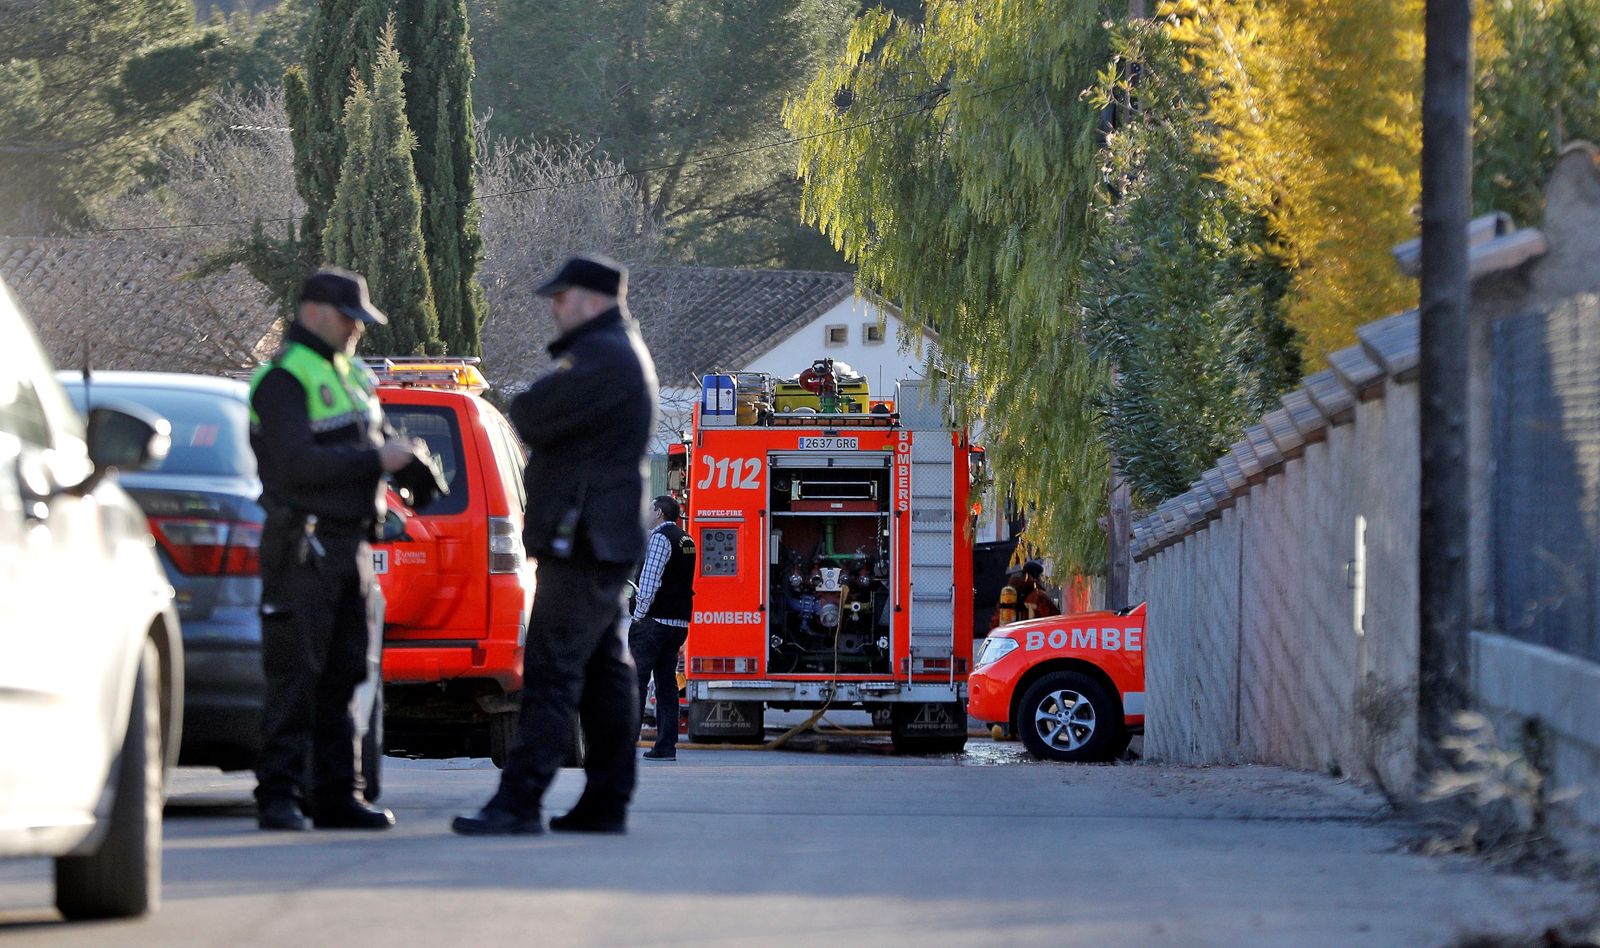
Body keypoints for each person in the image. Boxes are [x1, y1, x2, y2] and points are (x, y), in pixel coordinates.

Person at [453, 253, 658, 836]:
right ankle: (606, 799)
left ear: (592, 301)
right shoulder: (615, 352)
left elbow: (532, 412)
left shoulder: (602, 355)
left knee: (550, 671)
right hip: (598, 535)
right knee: (603, 675)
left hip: (584, 537)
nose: (554, 309)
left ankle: (519, 802)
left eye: (561, 298)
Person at [249, 268, 433, 832]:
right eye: (348, 317)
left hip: (352, 544)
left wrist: (410, 468)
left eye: (361, 319)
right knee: (296, 675)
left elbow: (372, 448)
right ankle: (278, 796)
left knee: (346, 672)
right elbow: (295, 464)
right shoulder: (283, 378)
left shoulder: (353, 375)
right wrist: (378, 460)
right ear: (313, 313)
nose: (357, 328)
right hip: (302, 542)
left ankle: (337, 796)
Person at [630, 495, 696, 761]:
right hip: (677, 623)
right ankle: (666, 746)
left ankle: (624, 747)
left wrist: (638, 616)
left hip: (654, 623)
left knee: (636, 683)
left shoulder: (660, 538)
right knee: (667, 685)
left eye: (649, 509)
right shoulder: (686, 539)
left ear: (658, 513)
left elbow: (649, 583)